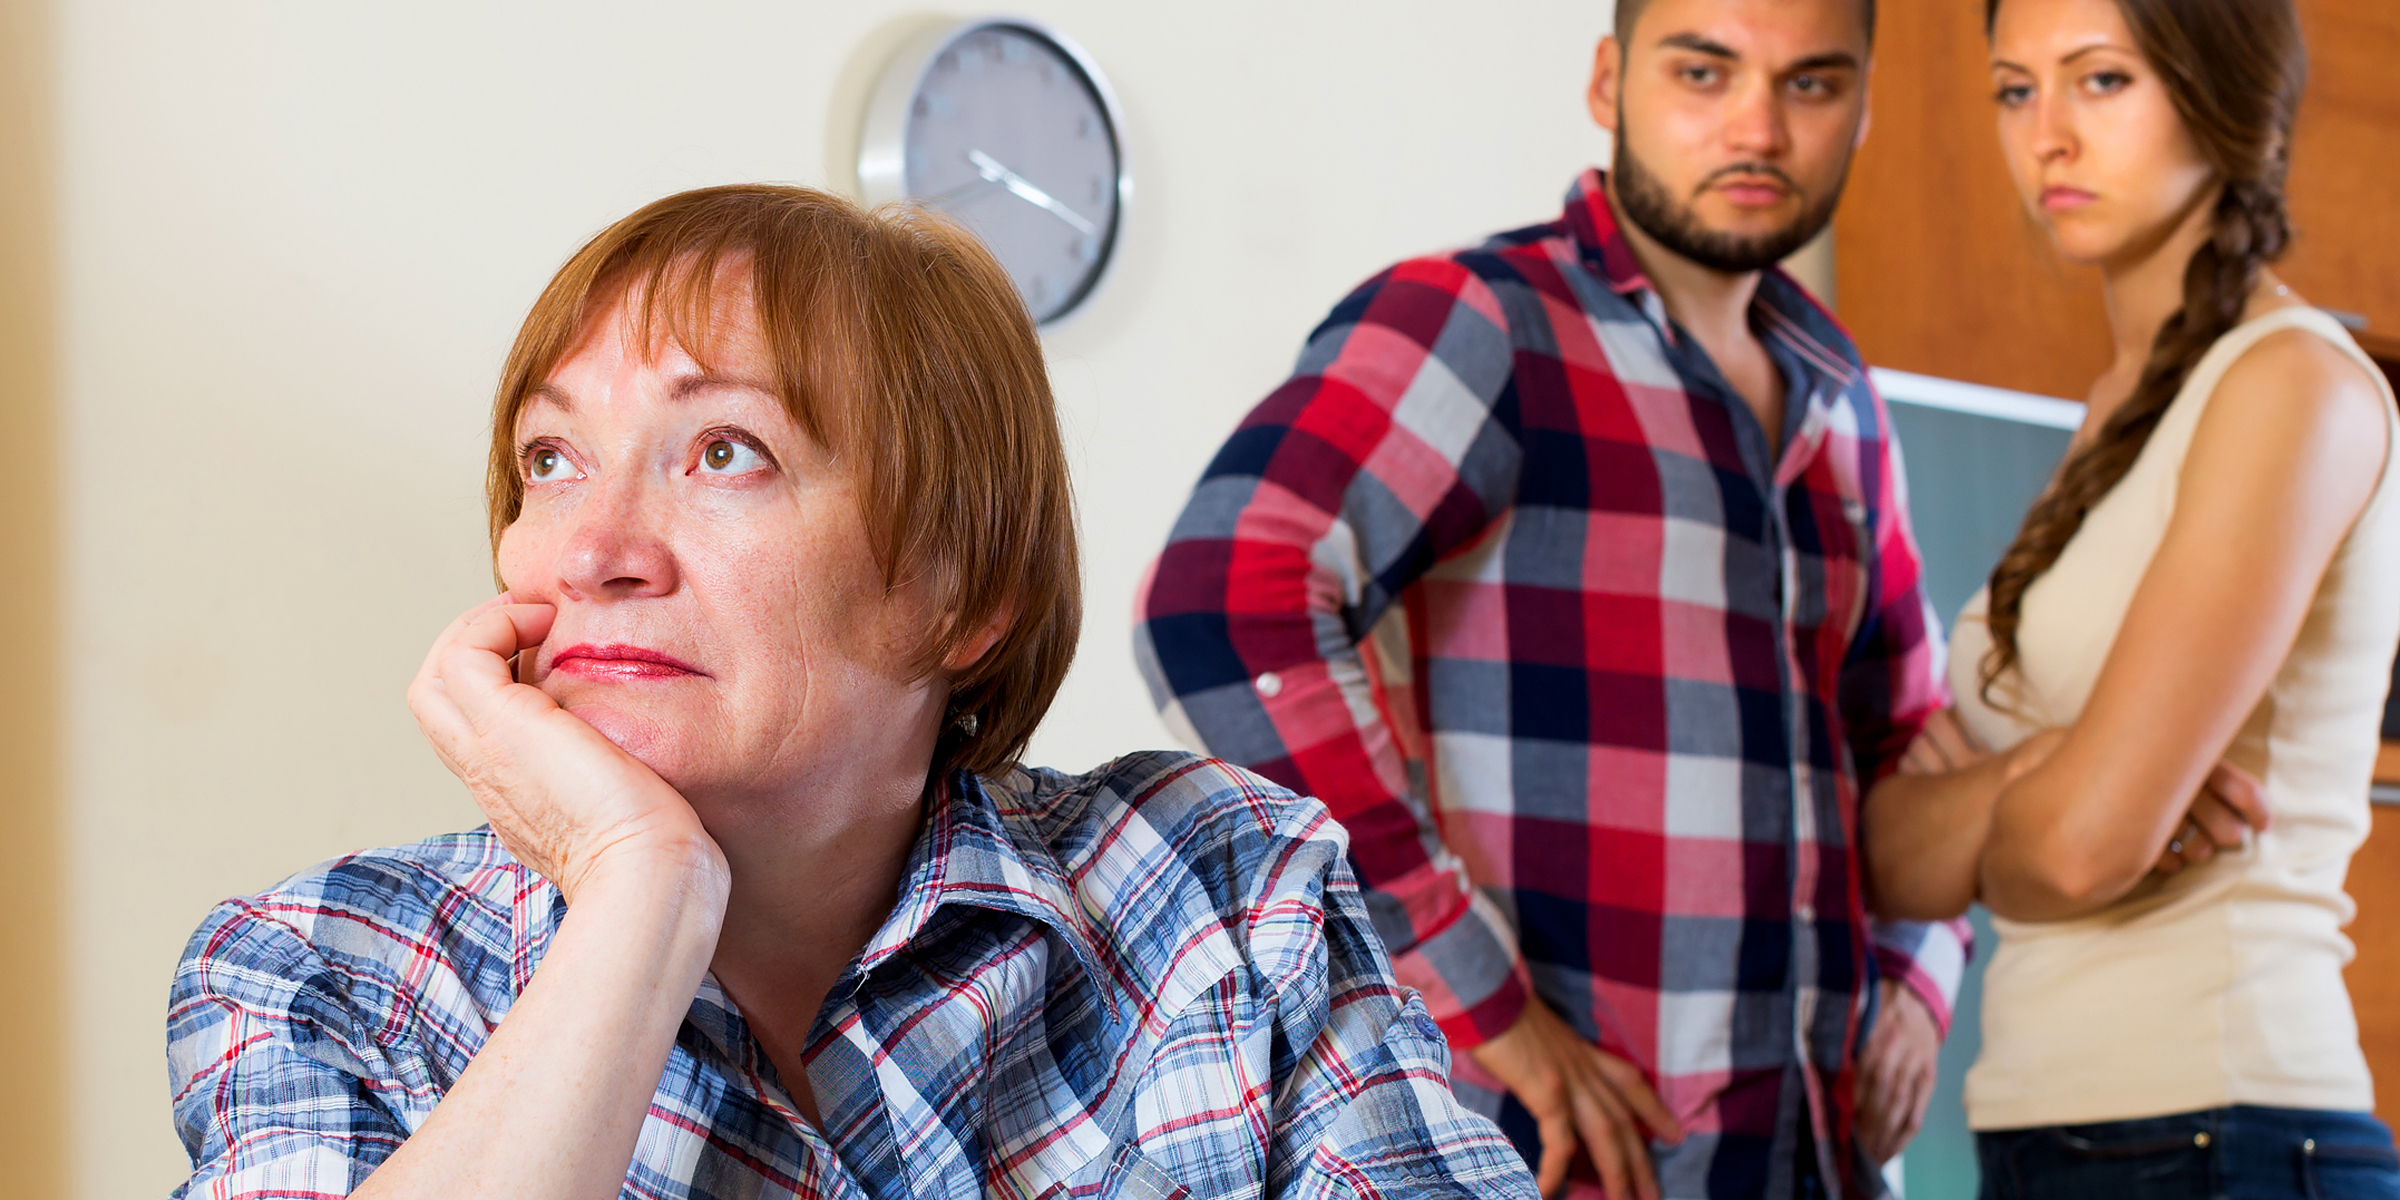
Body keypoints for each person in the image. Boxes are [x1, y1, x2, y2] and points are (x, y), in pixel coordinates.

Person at [164, 185, 1540, 1200]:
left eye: (723, 451)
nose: (592, 553)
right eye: (550, 460)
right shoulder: (317, 974)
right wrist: (642, 891)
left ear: (963, 593)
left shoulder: (1222, 897)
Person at [1134, 1, 1964, 1196]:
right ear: (1608, 81)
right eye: (1704, 71)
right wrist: (1475, 995)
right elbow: (1218, 606)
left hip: (1812, 1160)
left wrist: (1922, 978)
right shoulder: (1489, 327)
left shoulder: (1845, 404)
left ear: (1864, 110)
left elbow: (1910, 738)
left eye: (1812, 85)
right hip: (1559, 1159)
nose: (1759, 127)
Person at [1859, 0, 2400, 1196]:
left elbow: (2083, 845)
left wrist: (2023, 801)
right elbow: (1890, 852)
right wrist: (2046, 769)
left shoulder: (2290, 385)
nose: (2045, 135)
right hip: (2065, 1136)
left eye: (2099, 82)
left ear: (2223, 91)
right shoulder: (2118, 410)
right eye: (2015, 89)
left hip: (2224, 1131)